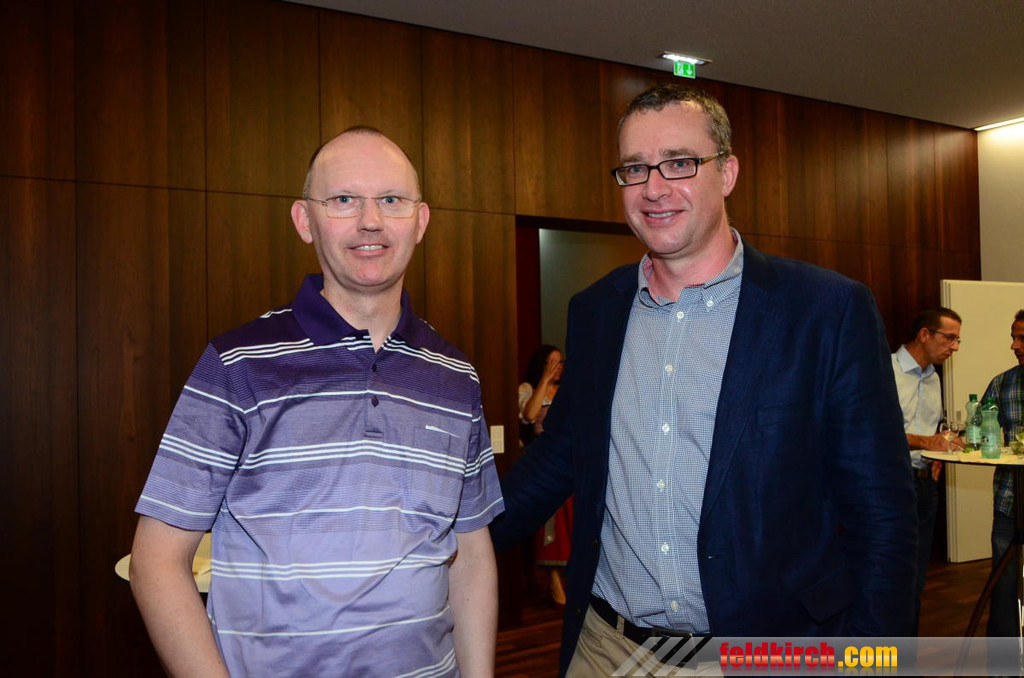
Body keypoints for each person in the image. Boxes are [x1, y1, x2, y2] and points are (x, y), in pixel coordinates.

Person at [490, 84, 916, 677]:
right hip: (608, 648)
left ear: (728, 173)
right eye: (635, 168)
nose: (653, 187)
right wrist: (452, 545)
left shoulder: (826, 310)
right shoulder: (597, 309)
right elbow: (563, 451)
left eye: (679, 163)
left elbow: (882, 514)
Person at [129, 127, 504, 678]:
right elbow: (156, 561)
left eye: (392, 200)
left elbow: (469, 554)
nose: (371, 220)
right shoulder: (237, 365)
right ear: (305, 221)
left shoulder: (455, 378)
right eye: (344, 199)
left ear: (420, 222)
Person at [891, 306, 962, 630]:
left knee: (916, 581)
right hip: (891, 486)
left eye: (957, 340)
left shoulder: (934, 377)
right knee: (889, 577)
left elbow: (930, 430)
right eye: (949, 338)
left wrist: (937, 452)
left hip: (925, 486)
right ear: (924, 334)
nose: (955, 347)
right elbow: (876, 431)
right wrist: (927, 442)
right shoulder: (884, 370)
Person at [518, 345, 571, 605]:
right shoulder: (527, 389)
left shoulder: (566, 390)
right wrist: (545, 381)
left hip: (566, 457)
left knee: (570, 518)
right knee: (549, 519)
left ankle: (568, 575)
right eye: (552, 363)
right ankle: (552, 579)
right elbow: (528, 415)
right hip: (539, 459)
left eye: (560, 363)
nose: (558, 368)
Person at [984, 309, 1024, 637]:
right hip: (1010, 500)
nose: (1014, 345)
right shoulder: (1002, 383)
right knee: (1003, 581)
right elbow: (978, 434)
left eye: (1022, 338)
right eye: (1013, 337)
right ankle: (1002, 657)